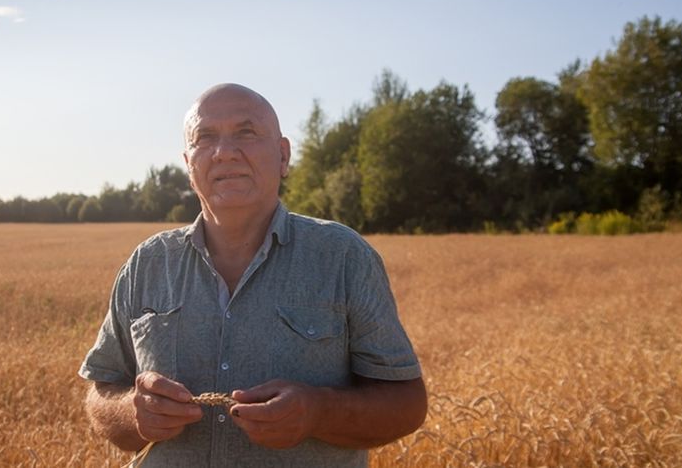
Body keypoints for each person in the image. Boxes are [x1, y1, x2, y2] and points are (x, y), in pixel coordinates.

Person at [80, 83, 426, 466]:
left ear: (282, 155)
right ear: (188, 164)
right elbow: (101, 394)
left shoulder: (344, 257)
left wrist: (317, 413)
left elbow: (407, 404)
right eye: (205, 137)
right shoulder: (147, 263)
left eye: (246, 133)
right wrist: (133, 412)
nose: (225, 152)